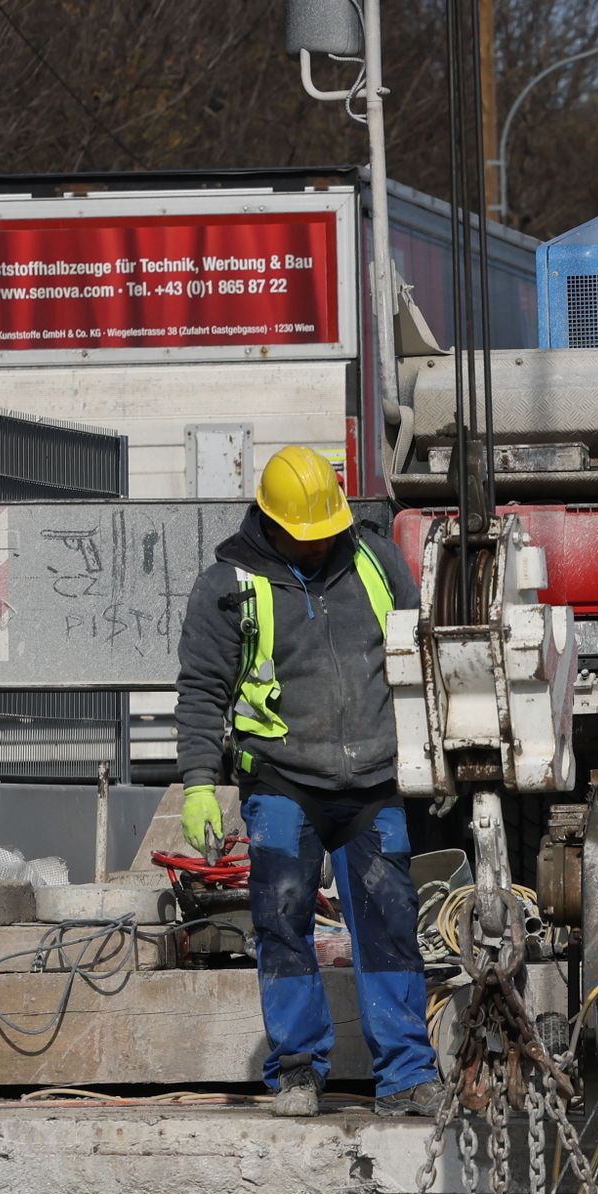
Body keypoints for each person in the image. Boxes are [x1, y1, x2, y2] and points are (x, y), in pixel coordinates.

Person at [172, 444, 448, 1117]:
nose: (324, 545)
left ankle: (407, 1074)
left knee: (389, 924)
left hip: (373, 781)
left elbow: (423, 654)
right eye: (311, 536)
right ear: (273, 525)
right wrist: (199, 783)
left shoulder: (376, 560)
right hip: (282, 782)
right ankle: (298, 1067)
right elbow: (203, 690)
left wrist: (434, 752)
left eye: (331, 531)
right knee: (281, 919)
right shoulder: (228, 587)